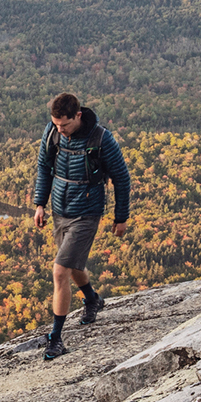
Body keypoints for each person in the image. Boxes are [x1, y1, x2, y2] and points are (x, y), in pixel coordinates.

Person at [32, 92, 131, 361]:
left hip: (87, 212)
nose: (59, 130)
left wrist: (121, 217)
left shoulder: (101, 138)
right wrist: (40, 203)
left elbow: (122, 178)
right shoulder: (52, 133)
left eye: (64, 124)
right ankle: (92, 299)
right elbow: (44, 167)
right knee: (74, 266)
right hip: (59, 210)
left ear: (77, 115)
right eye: (55, 124)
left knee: (60, 271)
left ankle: (56, 338)